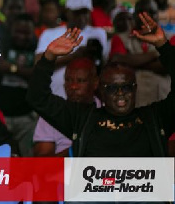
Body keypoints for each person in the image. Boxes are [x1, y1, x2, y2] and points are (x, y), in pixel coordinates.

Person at [27, 12, 175, 157]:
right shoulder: (83, 119)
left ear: (135, 88)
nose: (120, 92)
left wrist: (164, 46)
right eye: (111, 88)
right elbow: (38, 97)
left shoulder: (155, 118)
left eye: (126, 87)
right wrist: (49, 57)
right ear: (100, 91)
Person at [36, 0, 108, 98]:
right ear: (67, 12)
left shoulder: (99, 33)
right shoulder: (50, 34)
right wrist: (73, 56)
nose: (82, 17)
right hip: (55, 97)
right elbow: (38, 63)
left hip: (88, 100)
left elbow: (104, 65)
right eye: (77, 12)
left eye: (85, 12)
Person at [109, 0, 175, 107]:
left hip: (163, 101)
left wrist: (132, 62)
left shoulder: (171, 37)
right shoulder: (120, 38)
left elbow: (166, 66)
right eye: (142, 12)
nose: (147, 17)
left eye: (152, 12)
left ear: (157, 15)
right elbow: (117, 62)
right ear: (134, 15)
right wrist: (154, 55)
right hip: (133, 103)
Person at [32, 57, 99, 157]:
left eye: (80, 81)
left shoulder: (106, 112)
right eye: (69, 80)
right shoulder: (51, 113)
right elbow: (42, 163)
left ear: (95, 83)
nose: (73, 86)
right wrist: (75, 150)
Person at [0, 13, 38, 157]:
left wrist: (12, 68)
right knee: (0, 160)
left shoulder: (38, 47)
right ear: (11, 30)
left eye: (26, 33)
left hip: (26, 118)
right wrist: (24, 71)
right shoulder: (2, 44)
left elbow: (36, 73)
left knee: (26, 160)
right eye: (18, 31)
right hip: (1, 116)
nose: (22, 36)